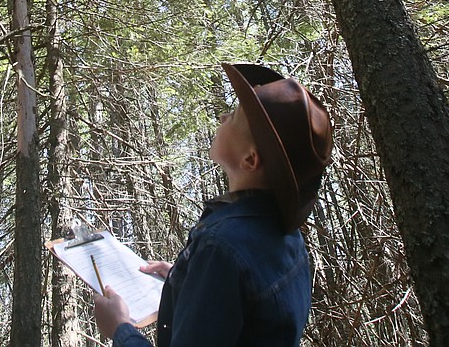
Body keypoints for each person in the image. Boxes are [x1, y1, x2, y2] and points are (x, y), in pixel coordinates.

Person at [93, 63, 333, 347]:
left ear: (250, 160)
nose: (223, 115)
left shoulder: (220, 247)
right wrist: (186, 281)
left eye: (235, 115)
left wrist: (120, 329)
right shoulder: (285, 237)